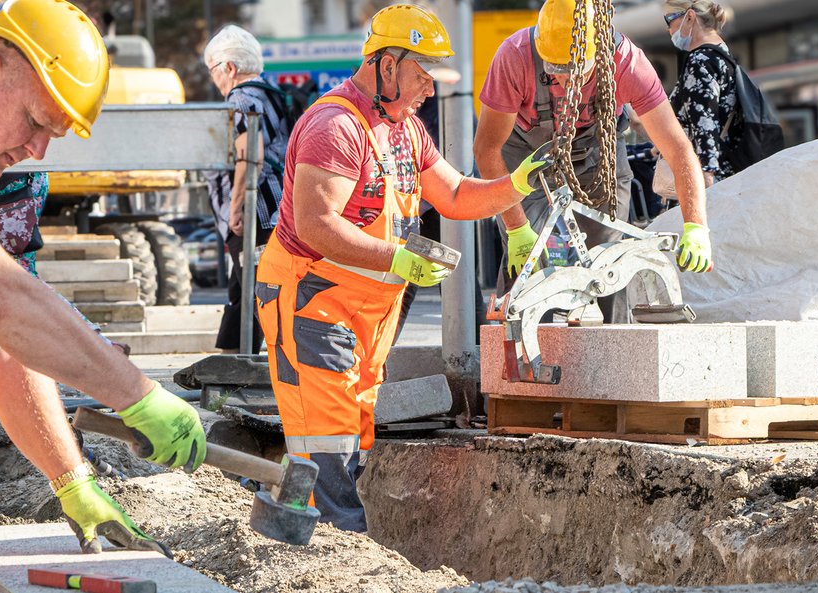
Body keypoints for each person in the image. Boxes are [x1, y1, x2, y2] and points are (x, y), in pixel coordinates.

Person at [256, 3, 558, 531]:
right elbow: (315, 224)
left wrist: (517, 184)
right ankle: (336, 551)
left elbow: (457, 194)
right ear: (387, 65)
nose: (431, 89)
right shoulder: (335, 126)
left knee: (349, 431)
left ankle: (287, 533)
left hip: (360, 311)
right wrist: (398, 258)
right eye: (423, 75)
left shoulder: (406, 130)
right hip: (310, 299)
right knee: (326, 437)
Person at [0, 0, 205, 555]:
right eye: (35, 120)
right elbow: (2, 301)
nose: (35, 150)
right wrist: (137, 395)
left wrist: (71, 479)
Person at [473, 0, 714, 314]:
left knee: (610, 256)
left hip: (596, 149)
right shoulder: (515, 56)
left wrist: (696, 226)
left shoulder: (627, 63)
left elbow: (677, 148)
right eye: (555, 70)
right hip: (524, 153)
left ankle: (614, 344)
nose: (563, 82)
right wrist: (516, 228)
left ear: (598, 54)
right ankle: (514, 347)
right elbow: (487, 149)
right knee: (525, 257)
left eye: (575, 71)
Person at [203, 24, 289, 354]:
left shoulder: (241, 99)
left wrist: (236, 208)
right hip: (278, 210)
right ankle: (231, 360)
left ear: (229, 67)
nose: (214, 80)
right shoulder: (274, 96)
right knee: (243, 292)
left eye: (214, 70)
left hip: (256, 216)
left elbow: (248, 153)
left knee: (256, 291)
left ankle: (260, 368)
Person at [664, 0, 736, 186]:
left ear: (689, 17)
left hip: (700, 174)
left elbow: (705, 119)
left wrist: (707, 171)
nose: (668, 29)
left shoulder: (700, 61)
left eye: (669, 19)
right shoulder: (723, 56)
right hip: (726, 166)